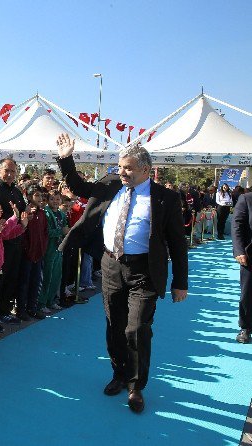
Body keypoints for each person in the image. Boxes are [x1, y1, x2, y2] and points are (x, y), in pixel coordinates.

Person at [56, 133, 188, 414]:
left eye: (128, 167)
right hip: (111, 264)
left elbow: (177, 242)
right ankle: (119, 373)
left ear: (145, 170)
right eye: (120, 166)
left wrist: (180, 282)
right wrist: (67, 158)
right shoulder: (110, 186)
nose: (122, 171)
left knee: (137, 328)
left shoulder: (165, 198)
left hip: (145, 270)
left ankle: (136, 386)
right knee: (114, 325)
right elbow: (78, 185)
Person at [0, 157, 27, 325]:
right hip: (0, 242)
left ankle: (5, 310)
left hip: (16, 240)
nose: (10, 174)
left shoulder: (17, 191)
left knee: (11, 278)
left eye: (13, 171)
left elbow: (22, 213)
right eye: (6, 171)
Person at [232, 191, 252, 344]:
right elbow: (237, 225)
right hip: (250, 256)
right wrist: (239, 250)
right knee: (247, 293)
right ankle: (245, 327)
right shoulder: (246, 198)